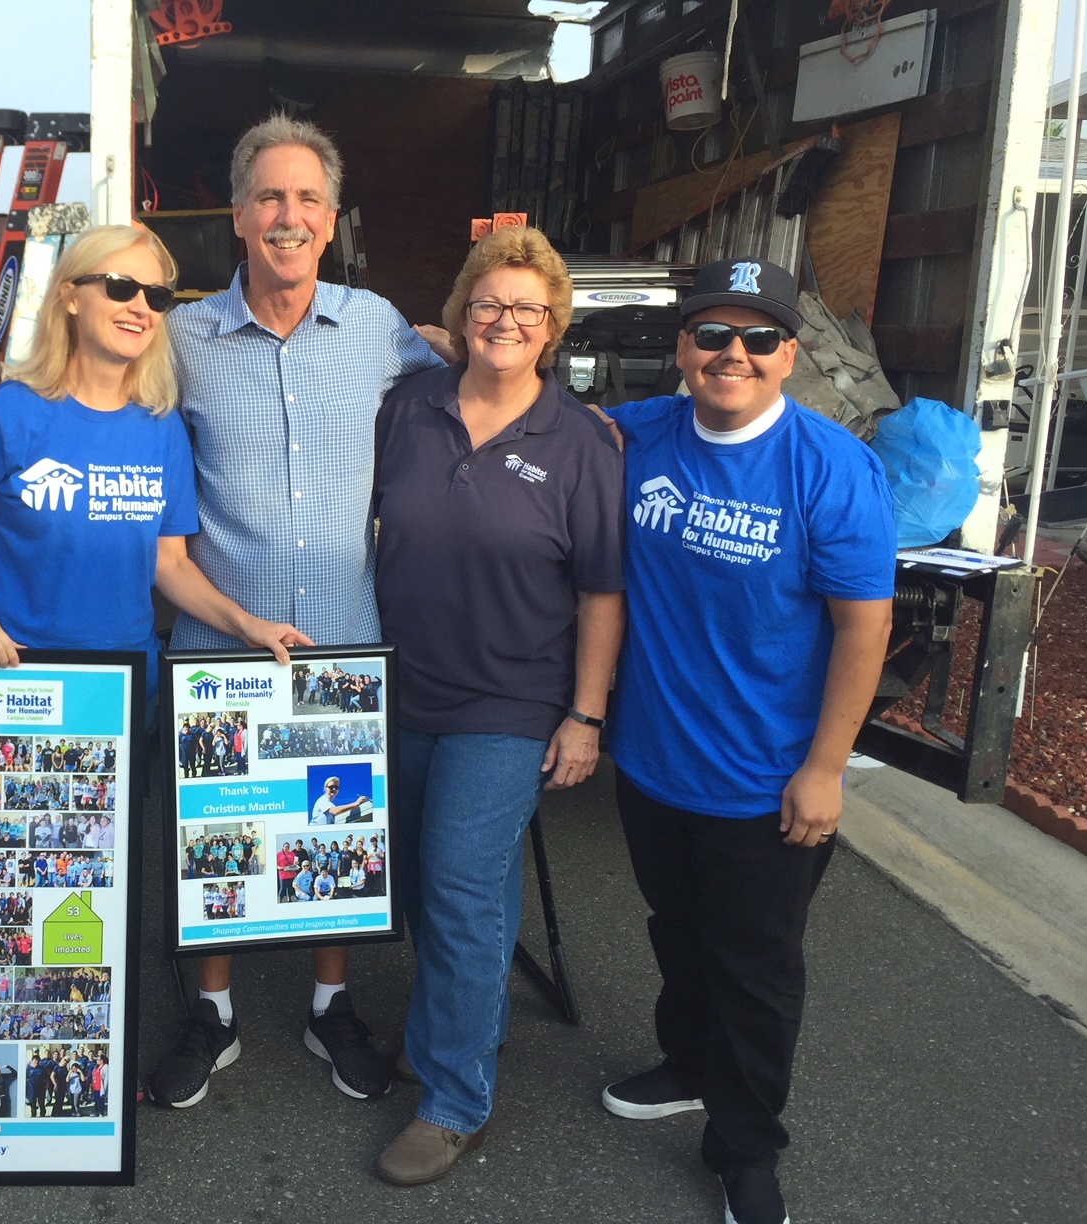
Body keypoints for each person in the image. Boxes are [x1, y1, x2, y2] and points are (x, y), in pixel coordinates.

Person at [148, 113, 451, 1110]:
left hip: (341, 639)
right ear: (238, 216)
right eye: (270, 197)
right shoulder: (183, 337)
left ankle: (330, 1007)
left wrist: (594, 438)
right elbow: (102, 400)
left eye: (307, 199)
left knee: (335, 837)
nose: (288, 216)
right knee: (222, 841)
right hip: (219, 640)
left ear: (332, 221)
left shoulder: (375, 328)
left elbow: (477, 387)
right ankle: (215, 1017)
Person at [596, 257, 895, 1224]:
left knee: (755, 973)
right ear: (682, 350)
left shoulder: (831, 467)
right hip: (652, 762)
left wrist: (825, 770)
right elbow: (545, 421)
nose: (733, 354)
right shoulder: (641, 432)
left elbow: (865, 627)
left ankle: (746, 1150)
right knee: (676, 935)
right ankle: (687, 1064)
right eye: (712, 335)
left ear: (789, 354)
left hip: (766, 783)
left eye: (757, 337)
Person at [371, 226, 626, 1185]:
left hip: (512, 701)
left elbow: (603, 591)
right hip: (399, 690)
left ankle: (453, 1100)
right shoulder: (410, 406)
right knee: (423, 882)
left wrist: (585, 715)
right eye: (488, 303)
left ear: (552, 326)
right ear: (461, 315)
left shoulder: (582, 444)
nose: (504, 320)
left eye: (526, 308)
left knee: (463, 888)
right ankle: (458, 1025)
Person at [0, 224, 312, 713]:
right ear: (71, 296)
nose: (141, 307)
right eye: (121, 287)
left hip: (128, 691)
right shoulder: (11, 414)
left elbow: (170, 562)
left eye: (156, 296)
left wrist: (249, 626)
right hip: (20, 688)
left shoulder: (161, 427)